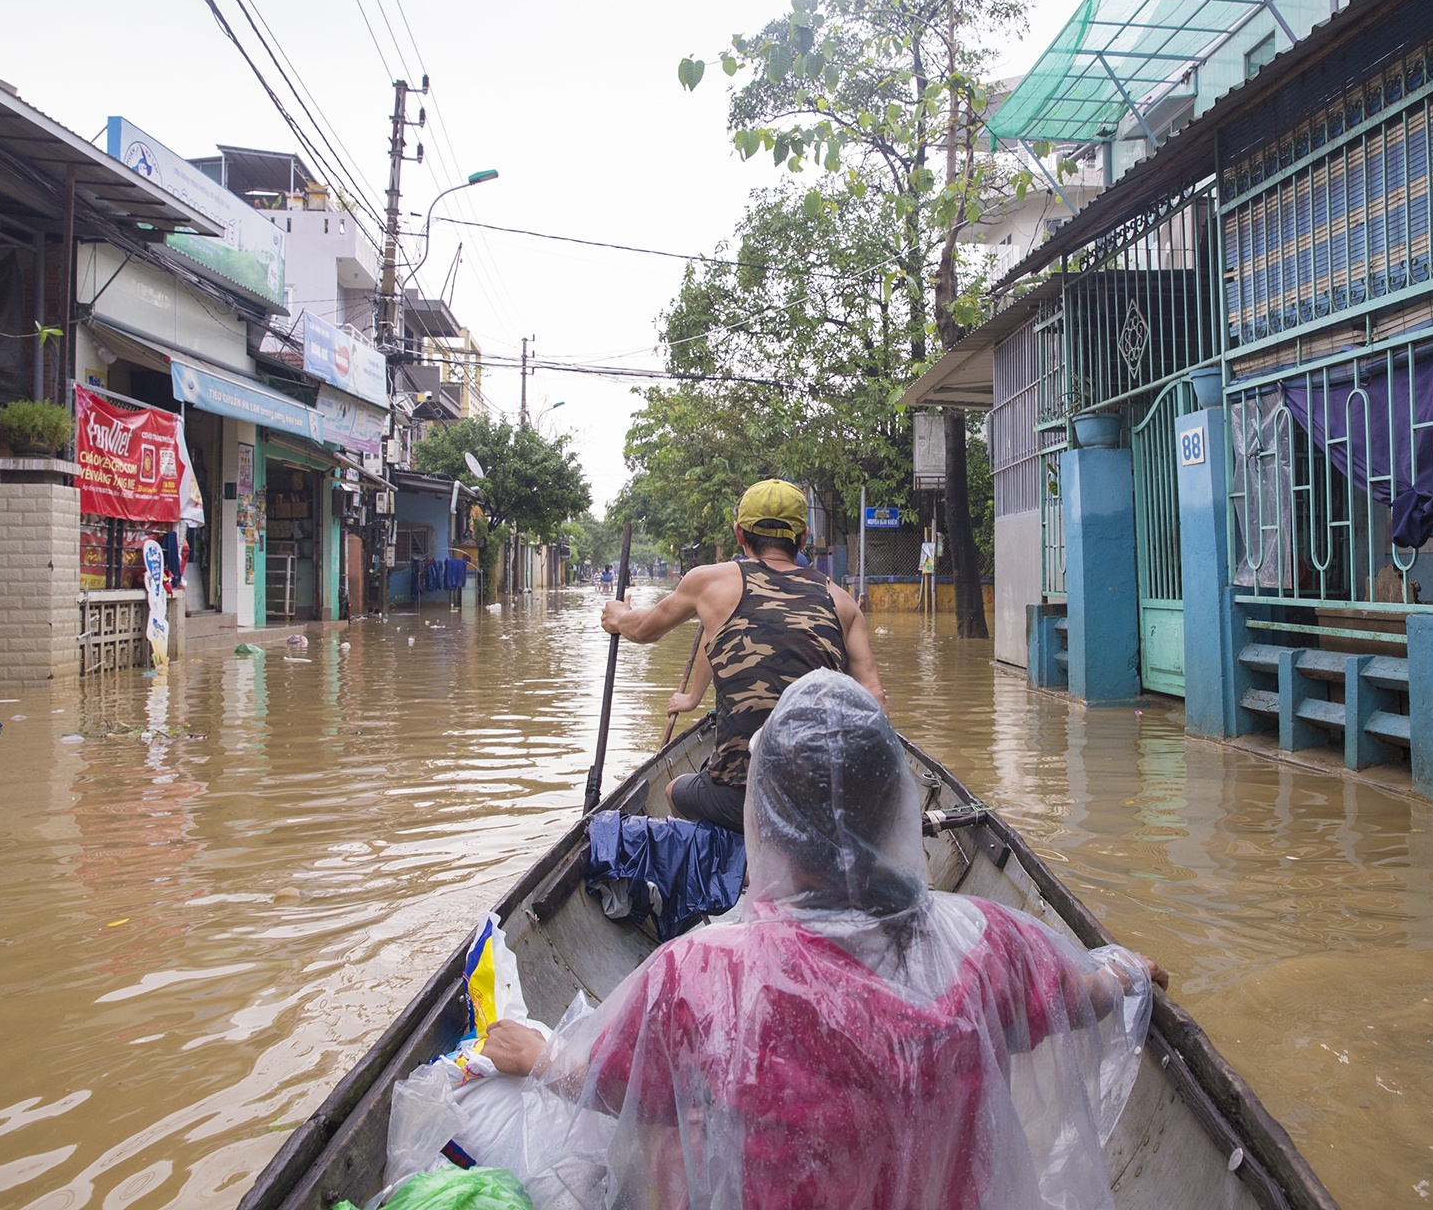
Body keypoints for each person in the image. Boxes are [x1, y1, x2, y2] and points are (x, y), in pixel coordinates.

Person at [481, 671, 1160, 1210]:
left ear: (766, 823)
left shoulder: (698, 976)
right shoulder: (990, 943)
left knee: (668, 1144)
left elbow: (621, 1088)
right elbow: (1082, 997)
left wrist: (540, 1056)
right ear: (895, 811)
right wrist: (1128, 969)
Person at [603, 479, 883, 832]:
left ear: (739, 534)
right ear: (803, 538)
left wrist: (618, 616)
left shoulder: (708, 582)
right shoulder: (842, 601)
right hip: (823, 799)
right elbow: (874, 698)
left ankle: (726, 855)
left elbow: (644, 629)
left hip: (739, 798)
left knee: (674, 791)